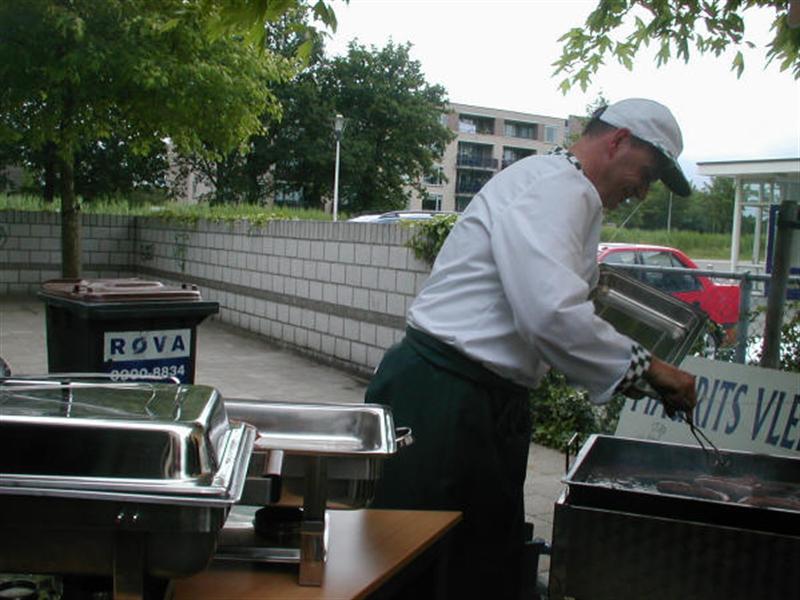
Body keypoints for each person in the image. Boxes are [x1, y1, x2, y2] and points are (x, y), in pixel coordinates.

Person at [365, 98, 699, 599]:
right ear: (618, 141)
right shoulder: (558, 188)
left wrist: (627, 371)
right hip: (446, 397)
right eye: (646, 174)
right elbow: (551, 314)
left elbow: (553, 307)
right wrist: (650, 369)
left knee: (473, 563)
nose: (642, 191)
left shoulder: (559, 186)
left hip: (473, 396)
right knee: (427, 568)